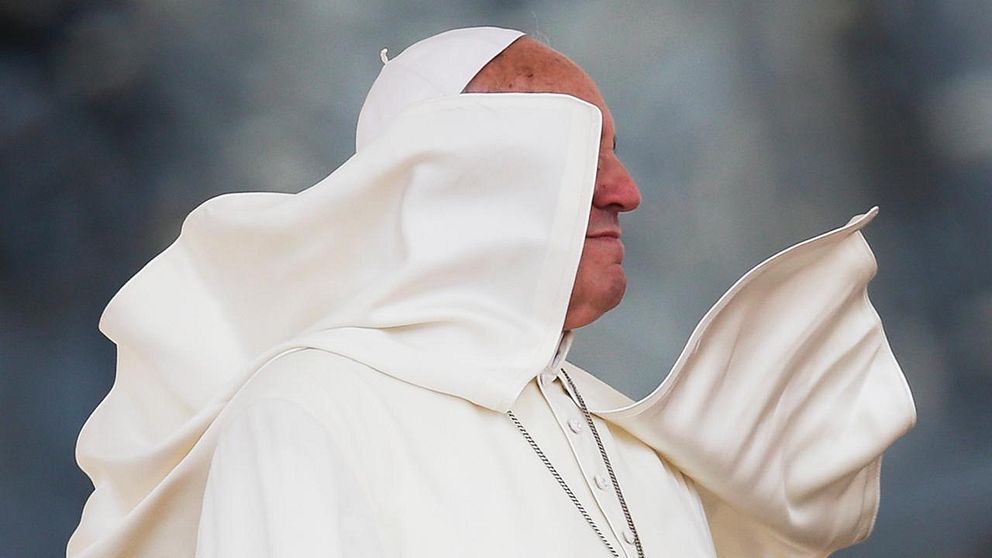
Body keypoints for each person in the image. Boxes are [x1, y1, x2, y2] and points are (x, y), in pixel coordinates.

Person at [68, 27, 916, 557]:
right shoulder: (309, 409)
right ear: (458, 181)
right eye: (578, 153)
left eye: (615, 152)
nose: (626, 191)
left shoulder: (634, 447)